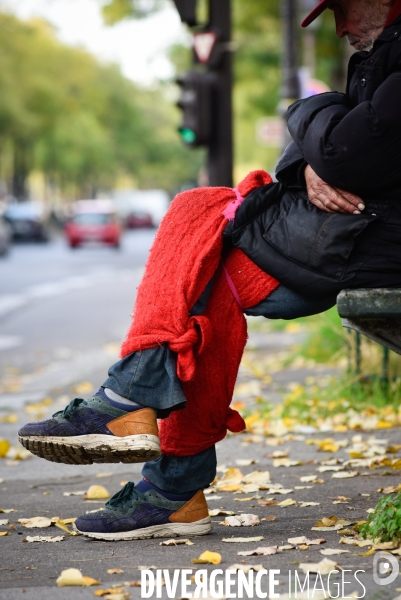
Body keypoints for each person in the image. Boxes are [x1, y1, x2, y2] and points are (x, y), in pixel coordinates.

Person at [18, 0, 401, 541]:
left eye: (345, 8)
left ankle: (147, 440)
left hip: (364, 242)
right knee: (196, 221)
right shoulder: (379, 54)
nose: (339, 27)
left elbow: (345, 151)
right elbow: (320, 153)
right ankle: (162, 468)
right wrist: (313, 131)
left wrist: (308, 118)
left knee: (204, 264)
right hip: (352, 236)